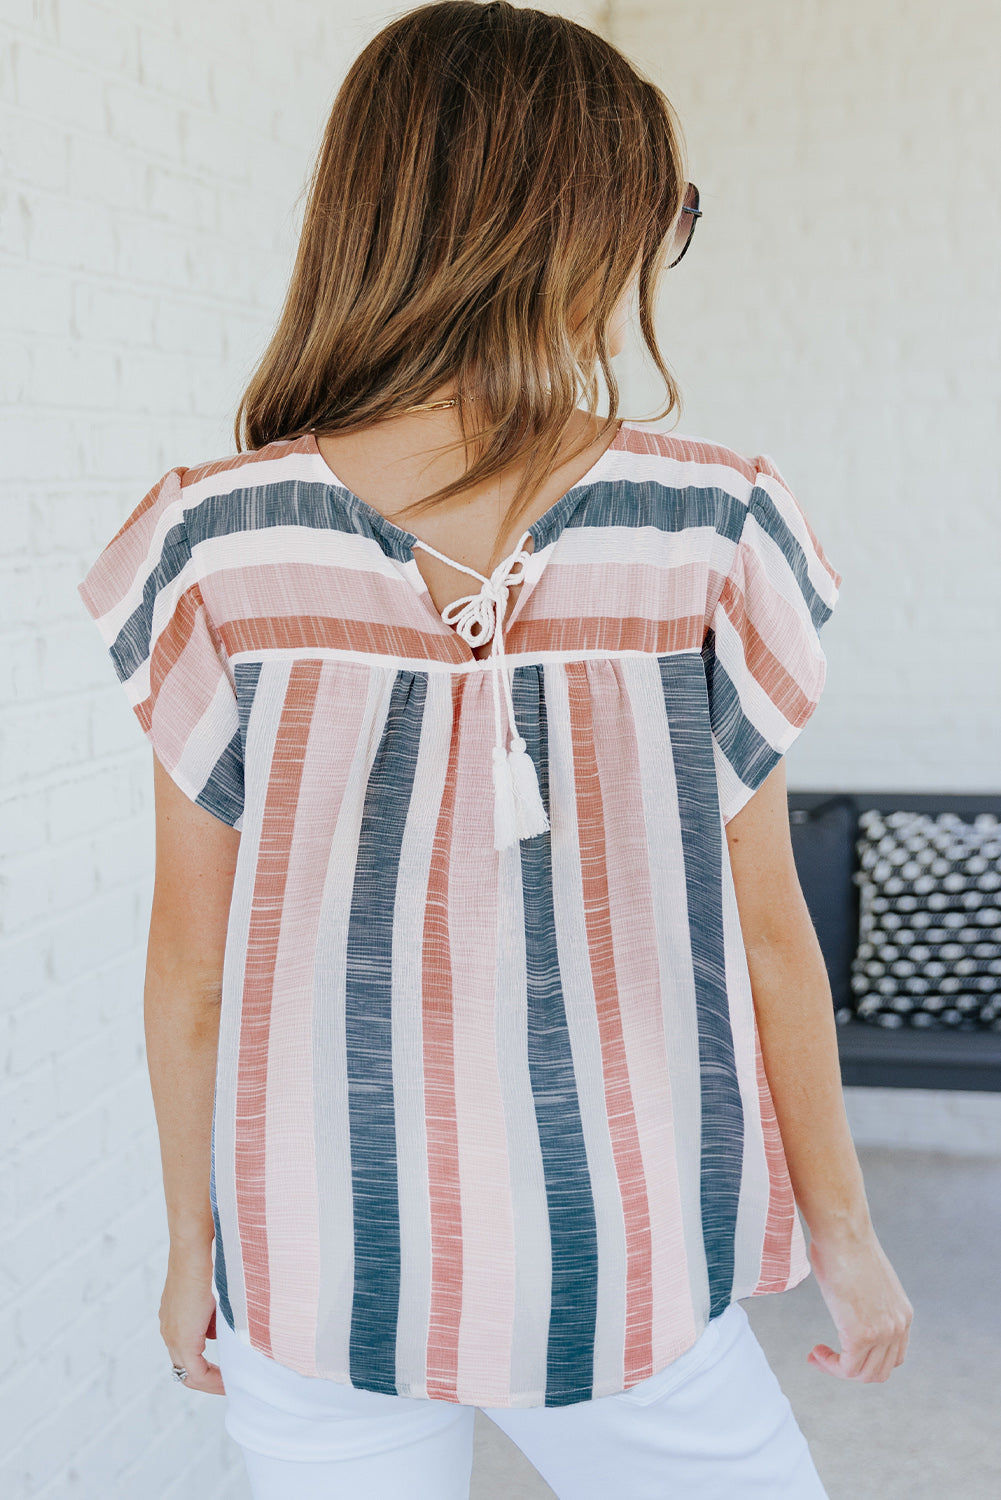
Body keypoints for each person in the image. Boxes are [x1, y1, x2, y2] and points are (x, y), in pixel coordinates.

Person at [77, 3, 913, 1496]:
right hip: (629, 1249)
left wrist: (190, 1238)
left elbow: (192, 966)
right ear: (571, 219)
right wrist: (840, 1234)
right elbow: (769, 935)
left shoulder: (212, 543)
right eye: (663, 210)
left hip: (320, 1261)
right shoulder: (709, 526)